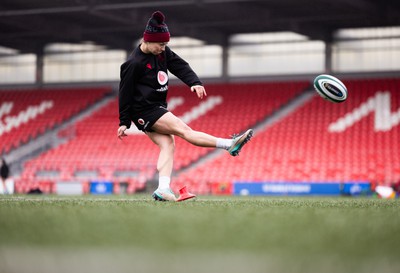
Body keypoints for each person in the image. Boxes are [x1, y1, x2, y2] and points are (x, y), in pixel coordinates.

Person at [117, 11, 253, 202]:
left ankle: (162, 189)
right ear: (148, 40)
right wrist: (123, 121)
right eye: (161, 44)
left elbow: (179, 65)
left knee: (168, 144)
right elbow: (124, 93)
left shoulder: (163, 53)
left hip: (155, 107)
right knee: (184, 130)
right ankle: (229, 144)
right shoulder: (133, 64)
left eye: (165, 44)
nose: (163, 48)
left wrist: (194, 82)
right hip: (144, 110)